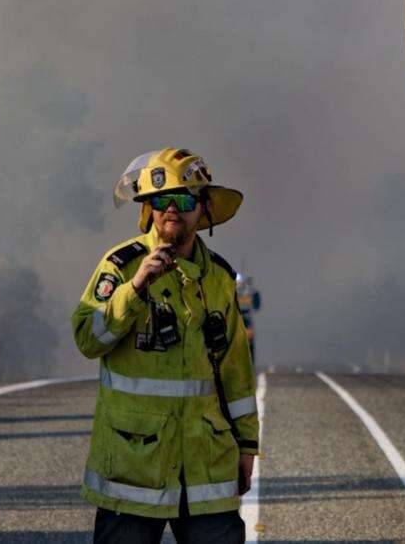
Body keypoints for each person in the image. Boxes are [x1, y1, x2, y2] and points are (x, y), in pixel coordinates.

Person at [71, 148, 258, 544]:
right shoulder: (120, 266)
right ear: (148, 208)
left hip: (205, 468)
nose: (173, 209)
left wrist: (247, 445)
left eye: (185, 199)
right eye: (161, 200)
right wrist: (135, 289)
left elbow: (236, 371)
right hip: (133, 470)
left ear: (203, 208)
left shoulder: (220, 279)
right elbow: (88, 339)